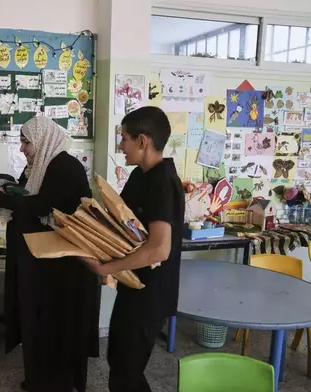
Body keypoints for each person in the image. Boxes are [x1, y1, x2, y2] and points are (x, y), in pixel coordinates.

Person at [0, 116, 100, 392]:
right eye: (22, 141)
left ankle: (56, 384)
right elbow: (28, 197)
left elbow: (40, 205)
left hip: (63, 270)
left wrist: (0, 198)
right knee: (39, 325)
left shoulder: (65, 166)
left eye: (26, 141)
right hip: (43, 266)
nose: (23, 148)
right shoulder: (38, 167)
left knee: (56, 327)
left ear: (42, 140)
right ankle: (40, 380)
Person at [81, 106, 185, 392]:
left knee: (126, 370)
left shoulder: (164, 183)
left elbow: (159, 249)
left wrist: (105, 268)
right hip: (134, 284)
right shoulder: (141, 176)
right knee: (120, 361)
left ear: (143, 141)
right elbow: (121, 224)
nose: (120, 146)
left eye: (124, 138)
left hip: (151, 291)